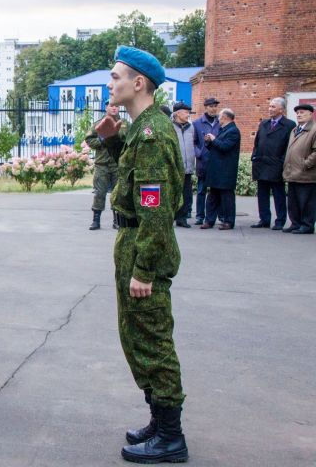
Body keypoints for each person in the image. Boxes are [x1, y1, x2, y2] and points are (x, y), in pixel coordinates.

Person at [95, 46, 188, 464]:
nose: (110, 83)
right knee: (136, 338)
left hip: (141, 245)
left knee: (152, 341)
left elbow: (156, 210)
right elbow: (133, 184)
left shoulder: (152, 133)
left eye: (116, 77)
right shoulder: (139, 128)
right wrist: (112, 141)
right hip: (131, 242)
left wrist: (144, 269)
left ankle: (171, 438)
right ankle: (158, 421)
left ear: (139, 83)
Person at [250, 97, 296, 229]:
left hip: (276, 164)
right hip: (261, 163)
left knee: (278, 194)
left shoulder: (289, 125)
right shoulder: (264, 123)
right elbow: (257, 142)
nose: (270, 109)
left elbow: (289, 146)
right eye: (269, 106)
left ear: (281, 109)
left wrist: (282, 161)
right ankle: (264, 219)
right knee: (262, 194)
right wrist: (255, 156)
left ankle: (280, 221)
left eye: (273, 107)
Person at [84, 101, 123, 230]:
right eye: (111, 106)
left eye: (116, 106)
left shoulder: (124, 124)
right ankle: (96, 220)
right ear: (106, 108)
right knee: (99, 193)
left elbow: (129, 139)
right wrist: (101, 141)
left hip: (117, 164)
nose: (114, 108)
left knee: (118, 193)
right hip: (102, 164)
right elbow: (89, 139)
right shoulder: (98, 124)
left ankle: (117, 220)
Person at [201, 108, 241, 230]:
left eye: (220, 117)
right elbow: (216, 147)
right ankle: (209, 220)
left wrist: (213, 139)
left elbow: (225, 147)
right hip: (216, 169)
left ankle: (228, 221)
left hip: (226, 170)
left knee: (227, 197)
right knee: (212, 196)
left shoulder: (233, 131)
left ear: (225, 118)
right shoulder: (223, 130)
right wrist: (209, 141)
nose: (218, 119)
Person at [282, 104, 316, 234]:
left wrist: (305, 164)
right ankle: (295, 223)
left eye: (302, 112)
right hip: (293, 172)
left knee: (307, 201)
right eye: (297, 113)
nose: (299, 114)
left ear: (311, 114)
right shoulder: (295, 130)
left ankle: (307, 225)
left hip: (306, 174)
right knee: (293, 201)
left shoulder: (313, 129)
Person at [192, 97, 221, 225]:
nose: (214, 109)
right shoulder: (197, 123)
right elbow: (193, 142)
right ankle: (199, 216)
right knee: (201, 190)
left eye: (215, 106)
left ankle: (217, 215)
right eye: (211, 106)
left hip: (217, 161)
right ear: (206, 107)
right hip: (203, 162)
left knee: (217, 190)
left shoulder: (220, 122)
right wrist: (199, 153)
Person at [171, 102, 196, 228]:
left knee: (186, 194)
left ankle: (182, 218)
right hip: (174, 168)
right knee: (172, 193)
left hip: (187, 168)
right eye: (186, 112)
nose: (188, 115)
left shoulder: (191, 127)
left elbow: (196, 143)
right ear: (178, 113)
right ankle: (171, 217)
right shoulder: (170, 127)